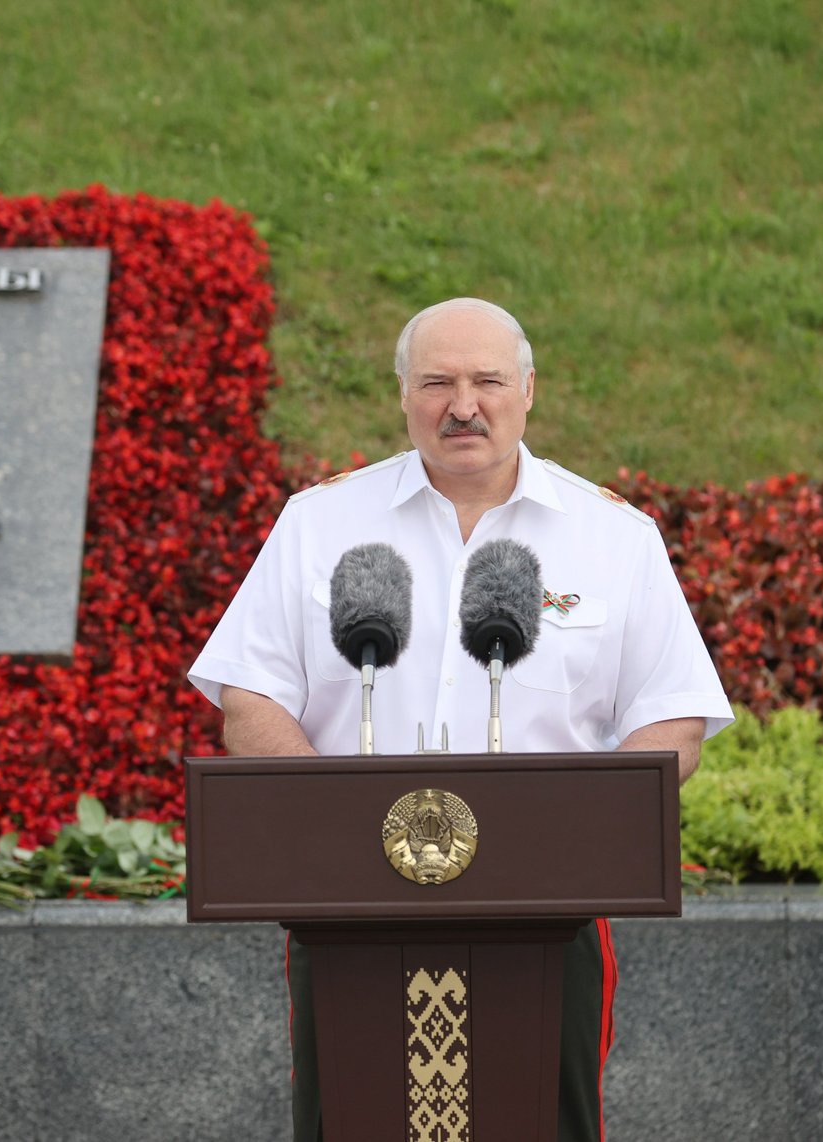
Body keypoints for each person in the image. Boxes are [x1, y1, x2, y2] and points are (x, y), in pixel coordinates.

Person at [187, 297, 733, 1142]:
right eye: (437, 381)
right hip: (350, 911)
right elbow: (251, 698)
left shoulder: (612, 537)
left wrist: (578, 835)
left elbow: (673, 719)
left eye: (487, 381)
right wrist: (334, 832)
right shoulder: (321, 524)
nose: (463, 405)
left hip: (548, 910)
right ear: (403, 394)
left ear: (528, 391)